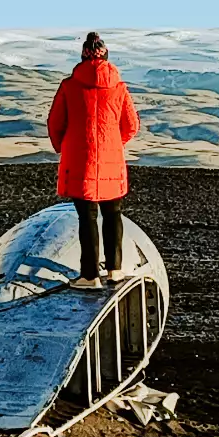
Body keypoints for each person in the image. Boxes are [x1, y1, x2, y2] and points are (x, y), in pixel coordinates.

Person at [47, 32, 140, 281]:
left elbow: (55, 124)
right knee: (113, 215)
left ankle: (90, 278)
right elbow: (132, 125)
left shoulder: (69, 86)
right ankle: (115, 271)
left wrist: (64, 147)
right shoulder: (119, 88)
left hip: (79, 162)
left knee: (86, 218)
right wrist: (112, 144)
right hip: (112, 162)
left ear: (82, 57)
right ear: (106, 56)